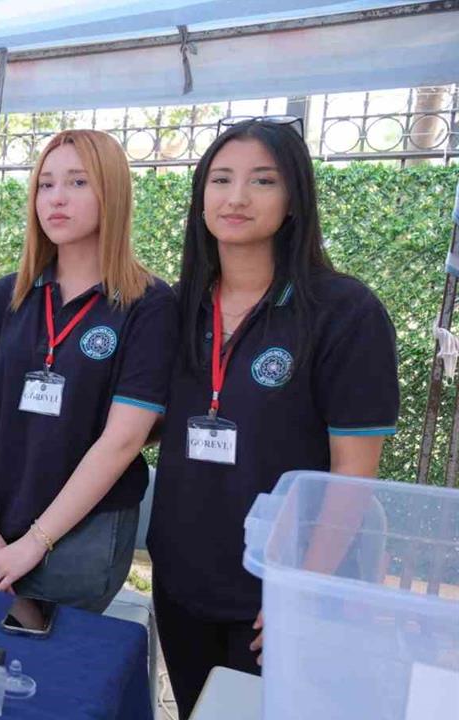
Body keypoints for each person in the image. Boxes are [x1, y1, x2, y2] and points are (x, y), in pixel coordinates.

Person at [147, 118, 400, 717]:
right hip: (183, 576)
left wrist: (298, 592)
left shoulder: (344, 312)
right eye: (221, 180)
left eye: (262, 180)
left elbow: (353, 472)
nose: (236, 197)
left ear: (294, 199)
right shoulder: (177, 307)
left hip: (279, 588)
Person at [0, 129, 177, 613]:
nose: (56, 198)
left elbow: (123, 440)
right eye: (46, 184)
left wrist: (36, 542)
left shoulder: (148, 303)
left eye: (78, 182)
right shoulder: (8, 295)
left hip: (83, 536)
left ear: (112, 193)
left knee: (55, 654)